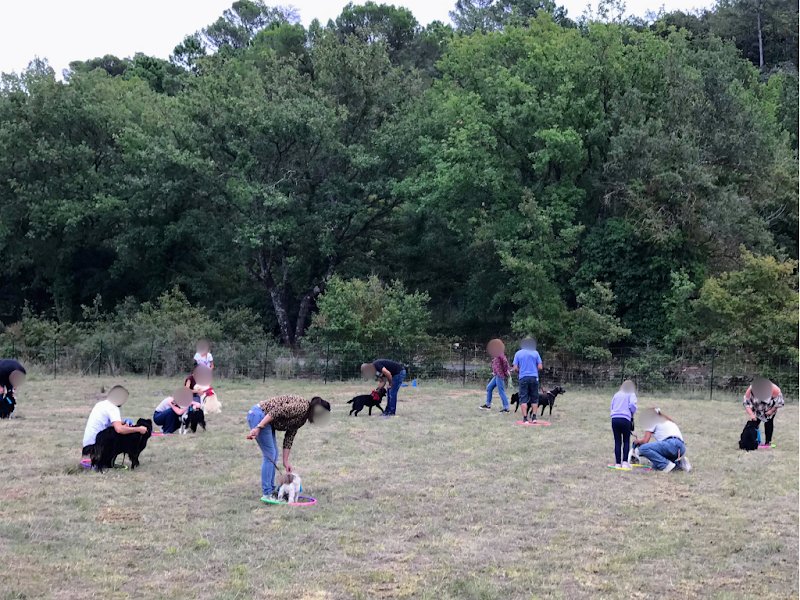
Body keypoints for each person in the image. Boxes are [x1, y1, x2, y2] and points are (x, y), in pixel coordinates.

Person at [246, 394, 331, 501]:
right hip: (259, 415)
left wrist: (285, 461)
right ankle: (267, 493)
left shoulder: (303, 417)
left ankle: (271, 490)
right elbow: (276, 411)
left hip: (264, 419)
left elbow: (289, 437)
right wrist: (259, 427)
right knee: (270, 455)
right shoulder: (302, 407)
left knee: (273, 454)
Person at [82, 386, 148, 458]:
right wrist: (138, 429)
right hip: (97, 444)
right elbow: (119, 430)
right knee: (121, 436)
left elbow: (109, 423)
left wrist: (123, 423)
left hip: (88, 443)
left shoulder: (101, 404)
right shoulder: (113, 408)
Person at [635, 408, 692, 472]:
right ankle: (680, 464)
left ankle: (666, 465)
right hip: (681, 448)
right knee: (656, 466)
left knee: (643, 448)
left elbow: (645, 441)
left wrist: (637, 441)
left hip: (670, 445)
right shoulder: (668, 421)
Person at [743, 377, 784, 447]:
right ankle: (754, 441)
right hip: (757, 409)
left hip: (769, 408)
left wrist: (771, 411)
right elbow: (746, 404)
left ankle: (768, 443)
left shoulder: (775, 390)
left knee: (769, 423)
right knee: (754, 424)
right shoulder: (750, 390)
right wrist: (752, 414)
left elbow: (779, 403)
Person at [511, 338, 543, 423]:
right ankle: (534, 417)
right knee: (534, 397)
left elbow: (515, 368)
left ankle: (525, 418)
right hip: (534, 377)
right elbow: (540, 367)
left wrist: (520, 371)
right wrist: (534, 370)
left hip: (523, 377)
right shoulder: (535, 353)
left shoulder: (518, 353)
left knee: (523, 398)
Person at [610, 380, 638, 469]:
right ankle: (625, 462)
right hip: (625, 418)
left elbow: (612, 406)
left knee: (617, 441)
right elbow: (632, 404)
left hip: (614, 418)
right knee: (626, 440)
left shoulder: (616, 394)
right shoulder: (631, 394)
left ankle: (618, 463)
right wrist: (632, 412)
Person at [480, 339, 511, 412]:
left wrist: (506, 371)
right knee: (489, 387)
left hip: (500, 375)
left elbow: (505, 362)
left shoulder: (500, 353)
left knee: (501, 391)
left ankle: (506, 408)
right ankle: (488, 405)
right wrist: (494, 371)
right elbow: (496, 364)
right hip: (497, 375)